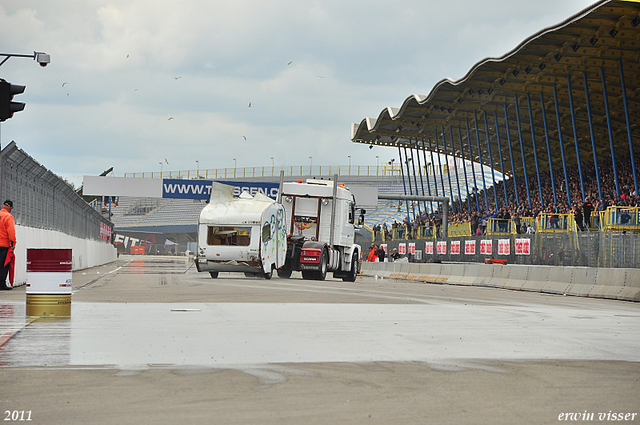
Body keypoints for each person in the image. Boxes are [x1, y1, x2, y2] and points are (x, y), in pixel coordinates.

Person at [0, 200, 16, 290]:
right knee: (3, 264)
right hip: (4, 245)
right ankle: (1, 284)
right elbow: (11, 232)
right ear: (10, 207)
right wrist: (12, 243)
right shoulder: (8, 217)